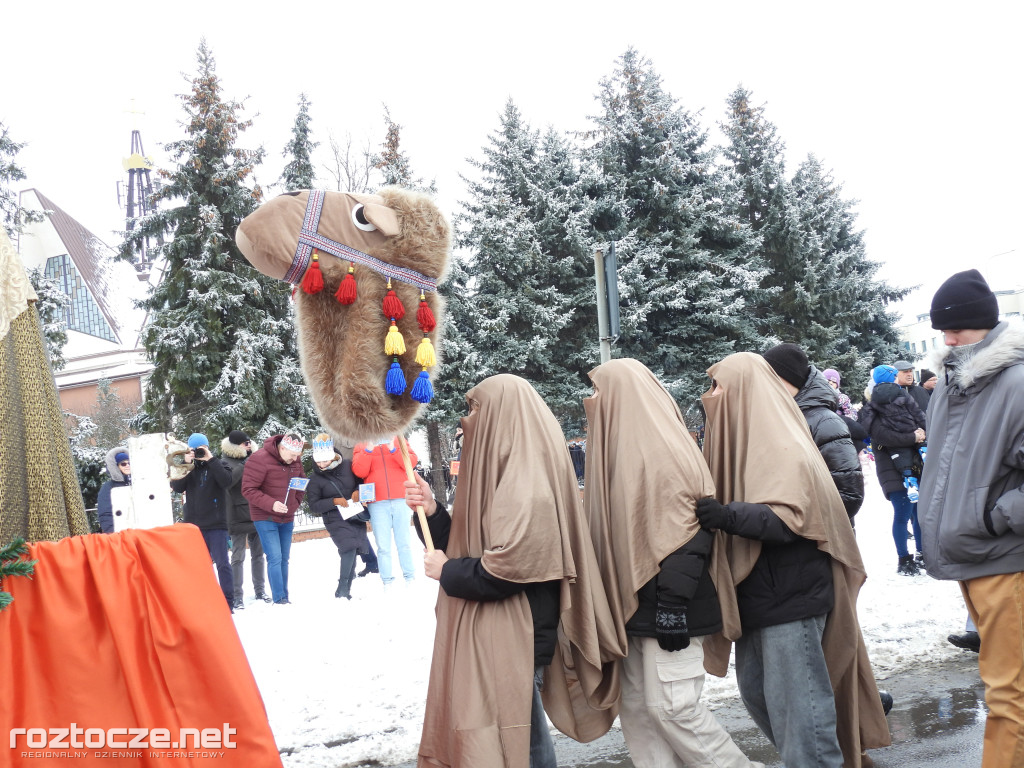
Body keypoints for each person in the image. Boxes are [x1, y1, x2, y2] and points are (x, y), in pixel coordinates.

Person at [403, 374, 622, 768]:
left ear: (501, 415)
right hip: (500, 627)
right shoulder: (498, 472)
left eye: (474, 409)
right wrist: (432, 511)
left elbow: (509, 568)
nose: (466, 421)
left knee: (521, 739)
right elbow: (469, 544)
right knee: (518, 735)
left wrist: (449, 571)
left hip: (518, 630)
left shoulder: (528, 482)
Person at [695, 352, 889, 768]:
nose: (711, 394)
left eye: (719, 385)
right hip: (756, 591)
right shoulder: (742, 435)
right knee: (758, 694)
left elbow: (797, 517)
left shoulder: (784, 437)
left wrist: (728, 516)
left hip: (790, 590)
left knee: (801, 711)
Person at [582, 358, 762, 768]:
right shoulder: (618, 451)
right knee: (638, 711)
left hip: (671, 605)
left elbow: (690, 533)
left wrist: (672, 605)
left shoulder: (665, 449)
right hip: (631, 606)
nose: (592, 400)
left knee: (673, 707)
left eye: (598, 391)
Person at [917, 268, 1024, 768]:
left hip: (1005, 557)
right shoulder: (950, 385)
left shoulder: (1016, 382)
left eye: (956, 328)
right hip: (973, 555)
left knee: (1009, 692)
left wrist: (996, 517)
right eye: (942, 329)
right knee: (1003, 686)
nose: (948, 339)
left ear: (986, 323)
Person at [763, 344, 865, 521]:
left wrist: (790, 522)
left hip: (818, 534)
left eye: (772, 376)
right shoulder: (781, 416)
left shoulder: (825, 422)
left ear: (790, 379)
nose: (766, 383)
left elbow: (848, 495)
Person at [858, 365, 927, 575]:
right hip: (895, 465)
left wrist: (918, 435)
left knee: (912, 513)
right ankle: (908, 558)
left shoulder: (873, 407)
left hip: (904, 464)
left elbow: (883, 434)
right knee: (907, 513)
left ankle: (917, 556)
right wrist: (915, 436)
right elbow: (883, 436)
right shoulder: (884, 404)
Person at [170, 433, 234, 609]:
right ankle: (204, 601)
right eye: (195, 449)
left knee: (222, 564)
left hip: (216, 524)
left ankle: (228, 602)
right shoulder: (188, 468)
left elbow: (226, 481)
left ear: (207, 447)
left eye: (202, 448)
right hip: (194, 526)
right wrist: (186, 464)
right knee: (199, 566)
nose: (199, 452)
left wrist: (210, 460)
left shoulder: (219, 464)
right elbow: (177, 487)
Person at [241, 433, 307, 605]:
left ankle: (285, 596)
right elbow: (248, 489)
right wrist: (272, 504)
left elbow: (302, 484)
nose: (295, 459)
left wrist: (294, 504)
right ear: (282, 448)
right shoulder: (259, 458)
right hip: (265, 516)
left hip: (287, 516)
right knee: (275, 557)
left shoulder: (295, 459)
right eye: (292, 455)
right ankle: (279, 599)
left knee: (284, 558)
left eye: (297, 456)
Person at [305, 432, 372, 600]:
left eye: (325, 461)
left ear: (333, 457)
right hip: (334, 518)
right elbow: (314, 505)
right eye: (318, 462)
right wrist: (333, 501)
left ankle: (346, 590)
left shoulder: (348, 465)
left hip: (354, 514)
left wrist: (357, 491)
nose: (321, 465)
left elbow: (361, 481)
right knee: (348, 547)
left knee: (354, 548)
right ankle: (342, 589)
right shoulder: (315, 479)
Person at [352, 436, 418, 587]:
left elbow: (411, 463)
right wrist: (368, 449)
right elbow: (359, 471)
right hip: (377, 501)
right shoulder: (362, 442)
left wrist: (392, 448)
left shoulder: (398, 438)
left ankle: (410, 577)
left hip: (400, 497)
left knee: (404, 542)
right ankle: (387, 580)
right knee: (383, 545)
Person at [220, 429, 269, 608]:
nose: (248, 446)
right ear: (235, 445)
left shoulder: (255, 458)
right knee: (238, 556)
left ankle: (260, 590)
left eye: (249, 442)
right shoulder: (225, 462)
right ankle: (236, 595)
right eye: (245, 443)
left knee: (258, 555)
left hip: (256, 511)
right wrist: (245, 465)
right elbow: (228, 482)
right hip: (236, 514)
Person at [97, 447, 131, 534]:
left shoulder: (138, 483)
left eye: (129, 463)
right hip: (120, 533)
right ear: (116, 467)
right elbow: (106, 514)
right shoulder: (108, 487)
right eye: (123, 464)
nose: (127, 465)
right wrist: (112, 533)